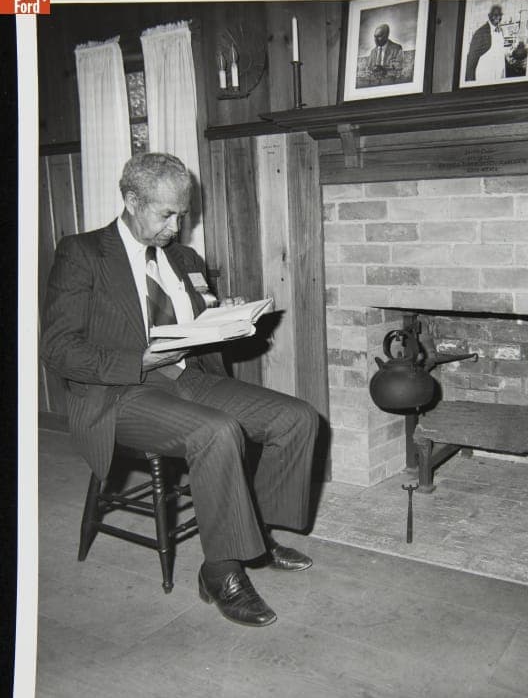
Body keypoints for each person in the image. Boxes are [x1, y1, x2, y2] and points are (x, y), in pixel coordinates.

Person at [41, 152, 320, 629]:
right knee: (216, 433)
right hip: (121, 393)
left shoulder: (184, 258)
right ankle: (223, 571)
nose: (176, 226)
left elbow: (197, 322)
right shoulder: (83, 253)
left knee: (297, 418)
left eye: (182, 214)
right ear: (132, 201)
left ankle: (254, 535)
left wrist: (225, 315)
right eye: (165, 214)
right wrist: (137, 360)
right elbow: (58, 348)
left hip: (188, 378)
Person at [464, 4, 506, 83]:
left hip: (499, 76)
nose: (498, 18)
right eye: (495, 15)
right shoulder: (481, 32)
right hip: (485, 76)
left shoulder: (501, 31)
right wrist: (470, 83)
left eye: (500, 15)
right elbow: (471, 59)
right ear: (489, 16)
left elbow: (500, 53)